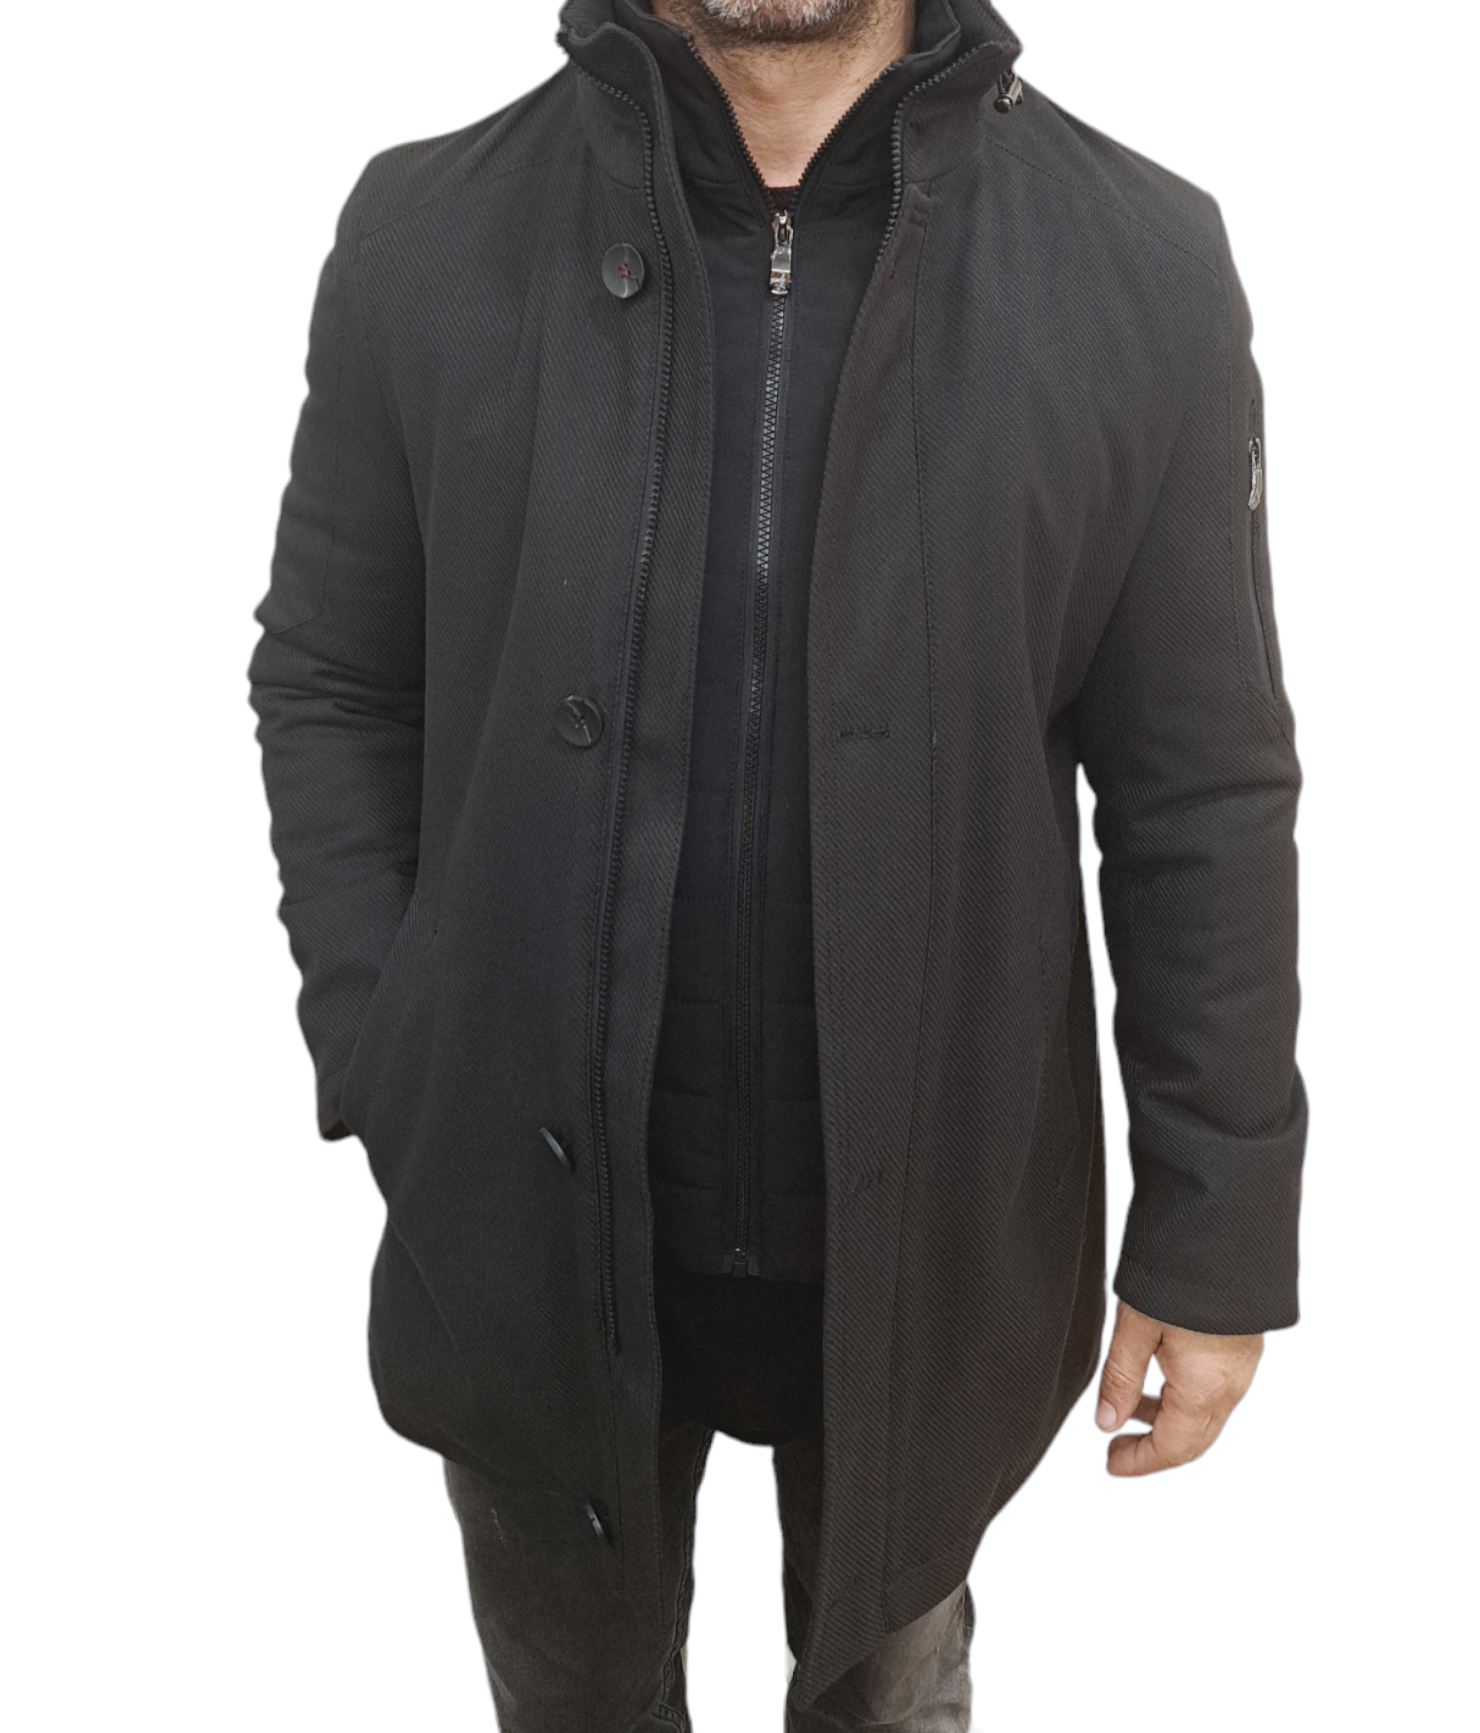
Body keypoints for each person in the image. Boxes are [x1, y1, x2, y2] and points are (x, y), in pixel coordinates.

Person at [247, 0, 1306, 1725]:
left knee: (894, 1689)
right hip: (523, 1222)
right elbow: (335, 679)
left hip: (942, 1231)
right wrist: (391, 1043)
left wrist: (1216, 1224)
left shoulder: (1144, 263)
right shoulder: (423, 231)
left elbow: (1200, 786)